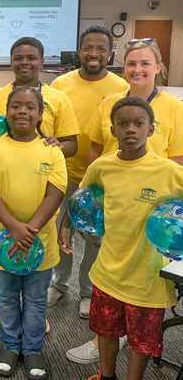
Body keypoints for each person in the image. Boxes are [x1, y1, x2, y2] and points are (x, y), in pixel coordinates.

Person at [62, 38, 183, 364]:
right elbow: (95, 149)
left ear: (158, 67)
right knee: (106, 267)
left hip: (151, 212)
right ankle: (105, 336)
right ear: (124, 67)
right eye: (132, 64)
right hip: (112, 202)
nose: (138, 69)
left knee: (141, 278)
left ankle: (130, 334)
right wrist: (89, 198)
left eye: (145, 63)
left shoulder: (174, 107)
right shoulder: (110, 102)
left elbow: (178, 163)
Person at [0, 37, 79, 342]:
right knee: (1, 257)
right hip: (4, 188)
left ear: (42, 62)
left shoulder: (59, 99)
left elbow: (72, 143)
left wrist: (57, 146)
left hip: (44, 181)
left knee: (37, 270)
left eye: (31, 58)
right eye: (18, 57)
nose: (24, 63)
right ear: (11, 61)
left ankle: (33, 317)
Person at [0, 86, 67, 380]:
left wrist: (30, 231)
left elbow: (54, 194)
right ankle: (10, 346)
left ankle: (32, 348)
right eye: (16, 106)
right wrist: (14, 228)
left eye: (30, 107)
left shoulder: (52, 151)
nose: (22, 112)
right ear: (6, 112)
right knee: (4, 297)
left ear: (40, 114)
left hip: (39, 242)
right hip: (3, 240)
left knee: (36, 298)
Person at [48, 27, 128, 318]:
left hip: (104, 180)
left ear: (110, 53)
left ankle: (87, 290)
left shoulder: (121, 87)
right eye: (88, 47)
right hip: (65, 172)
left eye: (101, 48)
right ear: (79, 51)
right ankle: (59, 282)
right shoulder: (60, 83)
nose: (94, 53)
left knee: (95, 236)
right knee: (61, 228)